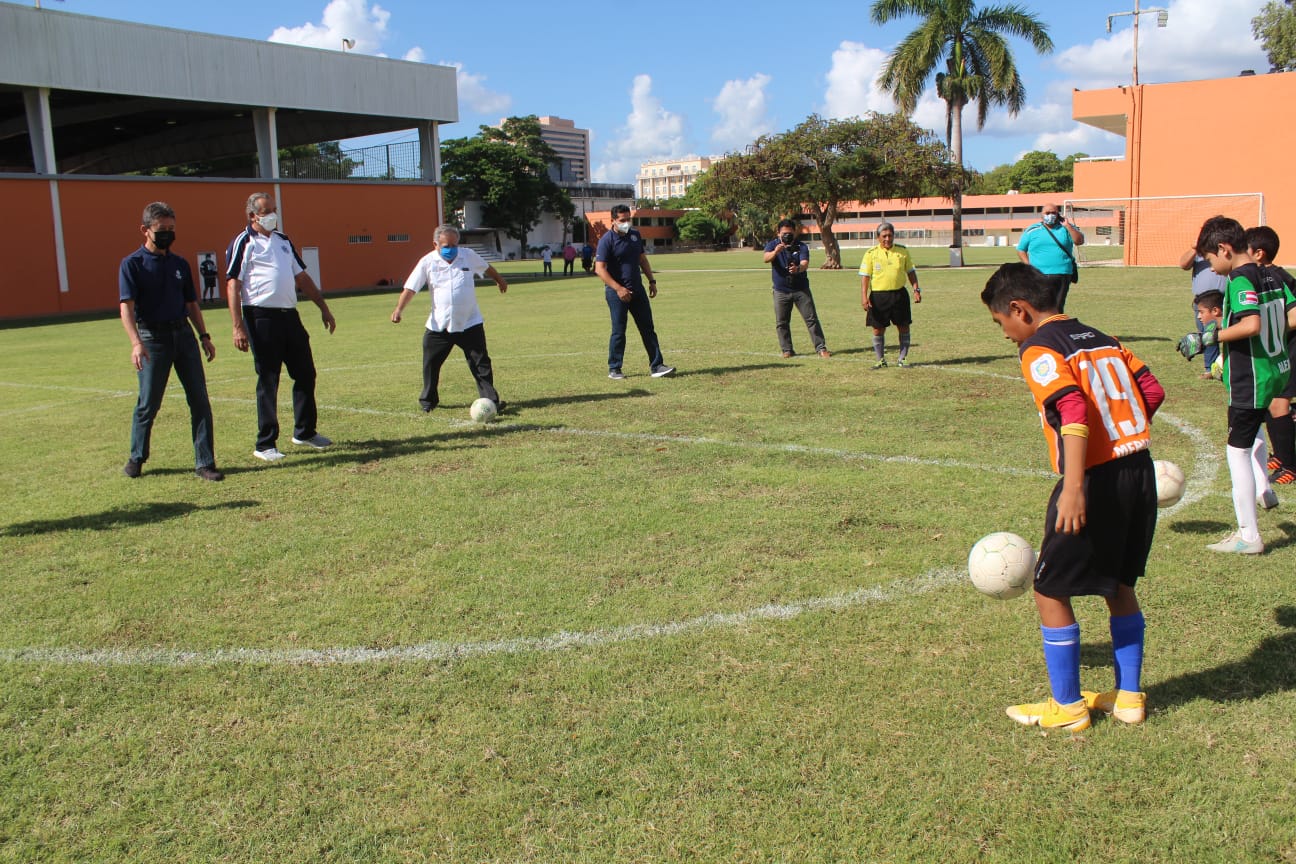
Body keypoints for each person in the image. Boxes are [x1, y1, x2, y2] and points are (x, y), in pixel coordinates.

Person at [982, 262, 1164, 731]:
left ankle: (1066, 707)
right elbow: (1151, 389)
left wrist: (1076, 486)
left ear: (1019, 309)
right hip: (1138, 469)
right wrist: (1121, 435)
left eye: (1001, 322)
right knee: (1120, 585)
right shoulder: (1102, 337)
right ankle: (1128, 698)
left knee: (1049, 587)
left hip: (1094, 479)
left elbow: (1072, 407)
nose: (1005, 334)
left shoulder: (1039, 347)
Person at [1176, 216, 1296, 554]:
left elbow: (1251, 324)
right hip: (1275, 370)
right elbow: (1291, 314)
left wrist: (1206, 339)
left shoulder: (1241, 278)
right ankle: (1265, 490)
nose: (1212, 268)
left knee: (1236, 452)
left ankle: (1249, 537)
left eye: (1212, 260)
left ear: (1225, 249)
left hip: (1252, 378)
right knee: (1253, 433)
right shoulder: (1271, 271)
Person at [225, 192, 336, 463]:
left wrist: (323, 306)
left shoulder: (284, 241)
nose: (272, 215)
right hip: (260, 317)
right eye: (266, 211)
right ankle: (265, 443)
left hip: (290, 316)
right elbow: (233, 283)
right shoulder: (244, 242)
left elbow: (301, 276)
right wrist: (237, 326)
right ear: (253, 215)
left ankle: (305, 431)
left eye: (274, 209)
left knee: (306, 373)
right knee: (269, 378)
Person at [119, 201, 223, 482]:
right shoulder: (133, 264)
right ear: (145, 230)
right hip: (153, 338)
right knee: (149, 402)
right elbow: (126, 307)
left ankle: (205, 462)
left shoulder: (179, 264)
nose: (167, 234)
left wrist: (204, 336)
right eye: (161, 229)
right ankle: (137, 457)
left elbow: (191, 303)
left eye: (171, 229)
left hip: (184, 337)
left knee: (199, 400)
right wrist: (136, 343)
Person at [390, 225, 510, 414]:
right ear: (435, 244)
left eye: (454, 244)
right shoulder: (427, 262)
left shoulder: (467, 255)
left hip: (470, 322)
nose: (451, 249)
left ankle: (490, 401)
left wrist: (499, 280)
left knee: (481, 364)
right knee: (431, 364)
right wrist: (399, 309)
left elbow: (486, 268)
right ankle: (428, 401)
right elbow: (411, 288)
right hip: (439, 325)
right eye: (446, 245)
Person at [594, 205, 675, 380]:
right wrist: (618, 288)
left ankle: (657, 366)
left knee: (648, 328)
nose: (626, 223)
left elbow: (642, 259)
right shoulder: (606, 240)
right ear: (613, 221)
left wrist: (651, 281)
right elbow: (599, 269)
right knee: (619, 331)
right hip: (617, 294)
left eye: (628, 219)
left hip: (638, 291)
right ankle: (615, 368)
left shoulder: (635, 235)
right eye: (622, 220)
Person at [1244, 226, 1296, 486]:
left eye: (1246, 250)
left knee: (1279, 404)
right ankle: (1280, 454)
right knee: (1268, 397)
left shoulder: (1278, 277)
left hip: (1289, 348)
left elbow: (1294, 317)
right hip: (1276, 348)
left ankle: (1290, 466)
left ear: (1259, 253)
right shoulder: (1260, 277)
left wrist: (1273, 331)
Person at [763, 219, 829, 358]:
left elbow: (805, 263)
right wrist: (776, 252)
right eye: (784, 233)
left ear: (795, 232)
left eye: (789, 233)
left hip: (801, 289)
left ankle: (821, 348)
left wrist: (798, 268)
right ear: (778, 233)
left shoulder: (801, 246)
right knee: (782, 322)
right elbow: (766, 258)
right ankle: (787, 350)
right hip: (781, 290)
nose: (787, 236)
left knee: (811, 319)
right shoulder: (773, 245)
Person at [858, 221, 921, 368]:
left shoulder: (902, 251)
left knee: (903, 326)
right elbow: (865, 277)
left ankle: (902, 358)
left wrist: (916, 290)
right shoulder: (870, 254)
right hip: (879, 296)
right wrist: (863, 296)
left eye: (890, 236)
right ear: (878, 237)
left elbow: (911, 272)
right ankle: (880, 360)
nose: (887, 239)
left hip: (899, 295)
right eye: (884, 236)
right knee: (878, 328)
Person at [1016, 203, 1084, 312]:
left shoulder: (1066, 228)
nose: (1050, 215)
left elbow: (1079, 241)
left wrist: (1068, 226)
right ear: (1041, 215)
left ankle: (1056, 327)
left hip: (1062, 273)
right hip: (1038, 274)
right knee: (1039, 306)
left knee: (1057, 306)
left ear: (1058, 214)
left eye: (1053, 213)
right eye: (1047, 213)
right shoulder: (1032, 230)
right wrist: (1028, 265)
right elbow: (1021, 249)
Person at [1178, 247, 1228, 379]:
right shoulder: (1198, 251)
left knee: (1225, 330)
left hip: (1224, 298)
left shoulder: (1226, 250)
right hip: (1203, 301)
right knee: (1207, 333)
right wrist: (1194, 248)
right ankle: (1211, 368)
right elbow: (1183, 264)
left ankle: (1226, 366)